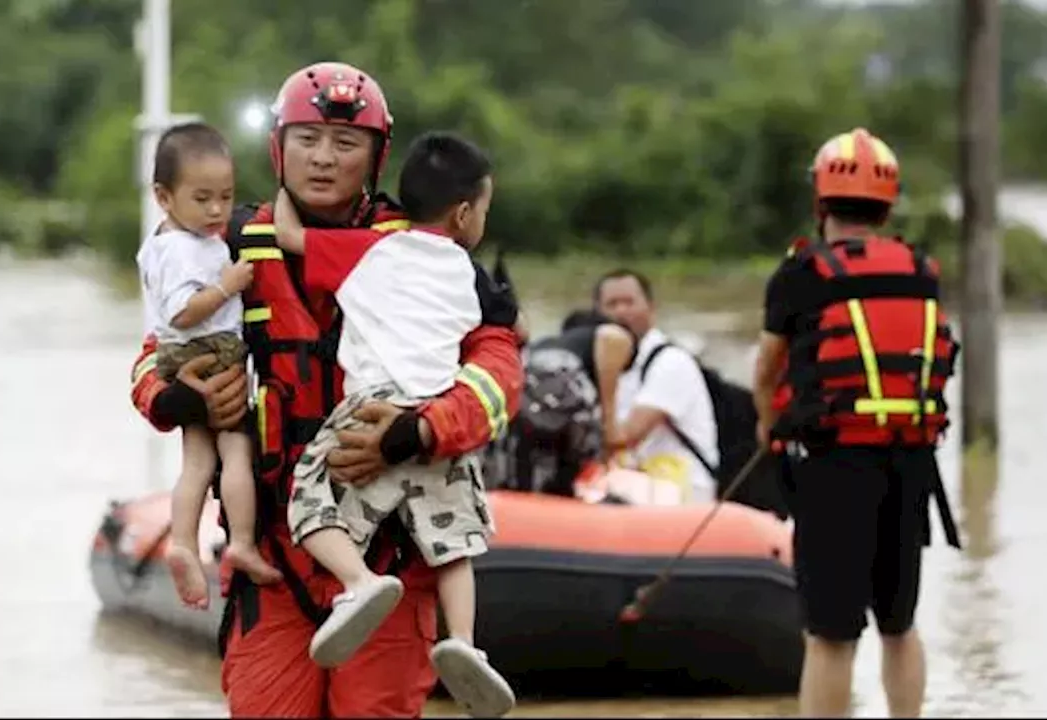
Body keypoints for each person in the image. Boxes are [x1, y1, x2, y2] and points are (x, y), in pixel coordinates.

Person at [127, 62, 521, 719]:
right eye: (307, 140)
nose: (323, 160)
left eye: (345, 144)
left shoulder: (425, 251)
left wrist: (417, 432)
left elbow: (499, 369)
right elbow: (151, 357)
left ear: (376, 156)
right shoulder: (219, 244)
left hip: (394, 555)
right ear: (280, 146)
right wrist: (178, 400)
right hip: (275, 555)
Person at [271, 131, 514, 717]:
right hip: (433, 407)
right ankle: (465, 643)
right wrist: (425, 429)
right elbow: (503, 343)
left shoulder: (367, 250)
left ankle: (358, 581)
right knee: (455, 546)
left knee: (306, 501)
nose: (325, 156)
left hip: (371, 404)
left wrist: (279, 189)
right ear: (463, 213)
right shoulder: (475, 278)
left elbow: (287, 237)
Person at [751, 127, 960, 718]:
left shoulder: (800, 275)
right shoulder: (922, 271)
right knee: (900, 623)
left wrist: (771, 428)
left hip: (833, 464)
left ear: (821, 202)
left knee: (830, 634)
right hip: (911, 462)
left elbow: (767, 368)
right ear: (887, 204)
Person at [133, 122, 282, 610]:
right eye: (203, 199)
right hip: (211, 351)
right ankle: (239, 540)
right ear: (164, 196)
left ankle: (181, 542)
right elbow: (180, 311)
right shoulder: (183, 250)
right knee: (235, 450)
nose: (217, 210)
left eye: (225, 196)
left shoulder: (167, 241)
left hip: (181, 357)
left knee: (197, 462)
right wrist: (228, 286)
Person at [594, 270, 719, 504]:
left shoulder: (671, 362)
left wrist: (606, 372)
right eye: (611, 304)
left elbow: (622, 439)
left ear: (651, 307)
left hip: (681, 489)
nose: (621, 312)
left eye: (629, 302)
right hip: (635, 480)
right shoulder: (603, 362)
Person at [510, 309, 636, 496]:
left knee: (533, 463)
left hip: (520, 392)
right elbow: (613, 337)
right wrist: (610, 427)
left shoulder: (546, 343)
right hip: (560, 383)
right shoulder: (612, 336)